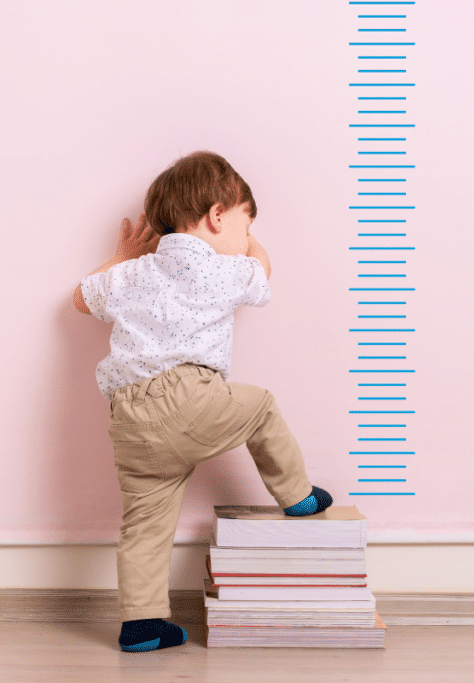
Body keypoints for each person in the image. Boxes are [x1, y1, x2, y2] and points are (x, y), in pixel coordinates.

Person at [73, 151, 332, 652]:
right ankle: (296, 494)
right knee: (260, 405)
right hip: (187, 397)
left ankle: (142, 625)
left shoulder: (131, 274)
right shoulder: (221, 268)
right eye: (242, 221)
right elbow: (263, 269)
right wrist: (246, 238)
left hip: (129, 419)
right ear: (217, 216)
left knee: (145, 524)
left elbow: (81, 300)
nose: (245, 235)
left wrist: (122, 256)